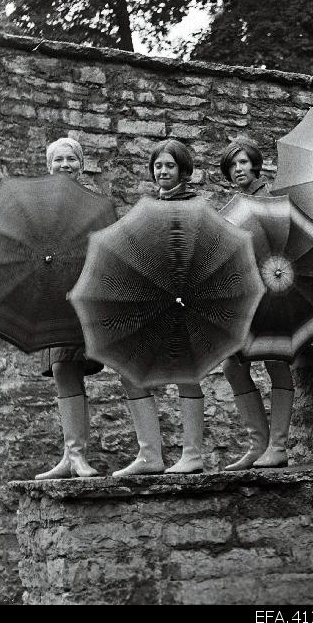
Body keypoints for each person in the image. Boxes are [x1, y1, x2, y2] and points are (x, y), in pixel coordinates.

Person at [112, 139, 205, 476]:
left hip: (183, 300)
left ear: (183, 170)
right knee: (130, 372)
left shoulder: (196, 206)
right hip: (151, 302)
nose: (163, 171)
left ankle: (193, 455)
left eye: (169, 166)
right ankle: (150, 455)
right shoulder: (146, 207)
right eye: (158, 166)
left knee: (185, 374)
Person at [220, 139, 295, 469]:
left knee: (275, 362)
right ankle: (258, 445)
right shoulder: (232, 207)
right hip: (243, 297)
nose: (238, 169)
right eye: (232, 165)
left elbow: (286, 244)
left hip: (274, 291)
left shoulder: (272, 198)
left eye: (243, 162)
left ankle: (278, 446)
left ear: (255, 164)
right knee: (232, 366)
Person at [35, 137, 103, 479]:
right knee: (61, 367)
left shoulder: (94, 200)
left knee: (75, 363)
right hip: (54, 295)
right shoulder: (40, 205)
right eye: (58, 160)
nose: (64, 165)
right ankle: (71, 455)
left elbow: (104, 243)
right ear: (49, 166)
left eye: (71, 159)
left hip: (84, 293)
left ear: (81, 164)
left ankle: (80, 457)